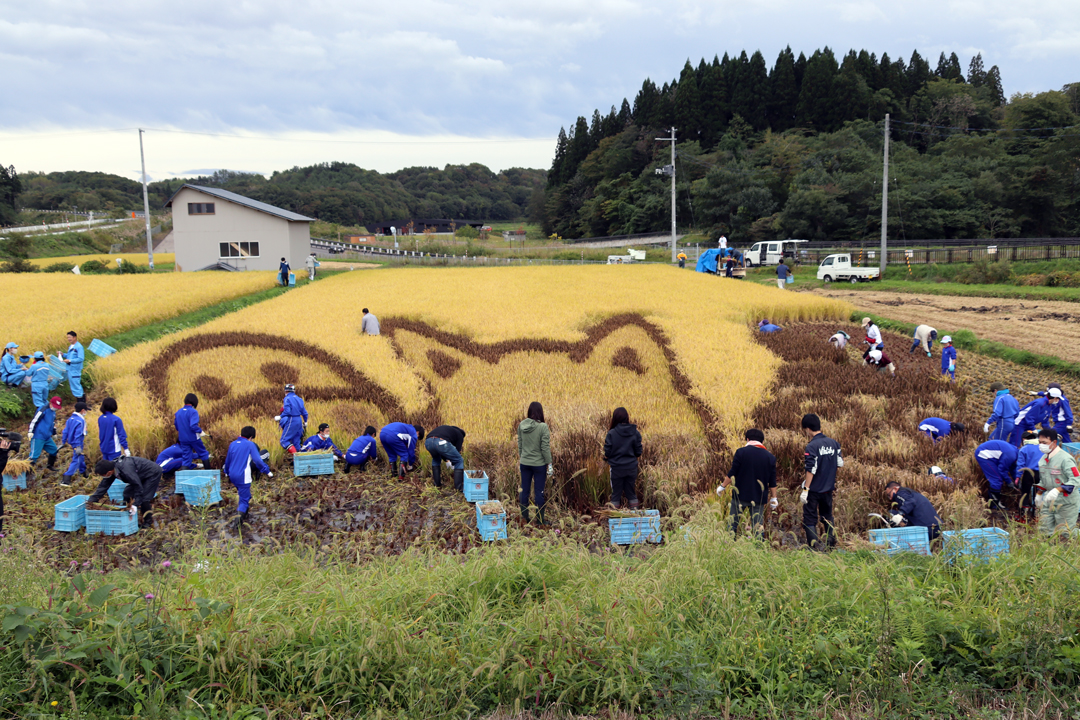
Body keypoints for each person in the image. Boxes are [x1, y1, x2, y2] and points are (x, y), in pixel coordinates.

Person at [716, 428, 777, 540]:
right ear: (762, 442)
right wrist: (774, 498)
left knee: (733, 524)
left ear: (747, 439)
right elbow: (772, 481)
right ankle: (759, 550)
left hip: (740, 496)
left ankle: (729, 547)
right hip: (759, 498)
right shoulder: (770, 458)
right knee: (758, 527)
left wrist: (722, 486)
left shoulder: (741, 452)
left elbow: (733, 472)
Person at [800, 413, 842, 551]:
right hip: (828, 489)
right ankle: (831, 547)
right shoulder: (834, 443)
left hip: (814, 490)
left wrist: (806, 489)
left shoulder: (812, 446)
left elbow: (811, 469)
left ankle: (813, 549)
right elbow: (840, 463)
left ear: (807, 429)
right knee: (827, 516)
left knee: (810, 518)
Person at [87, 456, 162, 530]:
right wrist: (93, 500)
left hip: (152, 473)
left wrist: (136, 504)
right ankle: (125, 513)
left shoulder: (125, 469)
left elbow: (137, 486)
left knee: (144, 498)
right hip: (139, 475)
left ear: (109, 472)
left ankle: (148, 523)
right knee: (127, 493)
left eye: (102, 475)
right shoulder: (113, 468)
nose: (103, 477)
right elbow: (104, 486)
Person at [1034, 428, 1080, 537]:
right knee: (1044, 530)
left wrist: (1057, 489)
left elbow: (1076, 479)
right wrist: (1039, 494)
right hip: (1049, 499)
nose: (1041, 445)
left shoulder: (1065, 459)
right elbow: (1044, 480)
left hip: (1066, 501)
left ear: (1054, 442)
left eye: (1044, 443)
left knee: (1066, 532)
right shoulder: (1043, 459)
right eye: (1040, 442)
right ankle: (1048, 551)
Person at [224, 426, 273, 526]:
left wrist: (226, 472)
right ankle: (236, 526)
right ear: (251, 436)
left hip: (232, 475)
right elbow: (258, 460)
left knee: (245, 495)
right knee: (244, 500)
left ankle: (245, 516)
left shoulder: (233, 444)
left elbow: (228, 460)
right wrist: (267, 471)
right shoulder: (250, 444)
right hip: (243, 476)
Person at [518, 402, 553, 525]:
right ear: (540, 412)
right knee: (539, 492)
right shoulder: (543, 427)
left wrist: (523, 457)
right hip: (539, 465)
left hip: (524, 463)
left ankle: (524, 518)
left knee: (524, 490)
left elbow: (520, 445)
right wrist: (549, 463)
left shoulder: (521, 424)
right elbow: (545, 448)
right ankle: (540, 520)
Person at [604, 407, 643, 509]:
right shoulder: (635, 432)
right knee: (631, 493)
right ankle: (635, 519)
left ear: (614, 418)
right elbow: (638, 452)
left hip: (616, 468)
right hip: (631, 468)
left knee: (616, 495)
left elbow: (607, 452)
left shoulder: (611, 433)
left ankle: (614, 519)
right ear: (627, 417)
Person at [975, 439, 1018, 510]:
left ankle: (994, 501)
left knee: (997, 478)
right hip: (984, 455)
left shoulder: (1015, 453)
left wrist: (1017, 481)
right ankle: (994, 505)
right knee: (996, 479)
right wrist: (1009, 482)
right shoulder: (1011, 456)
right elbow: (1002, 470)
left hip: (988, 453)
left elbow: (1013, 468)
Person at [175, 393, 210, 469]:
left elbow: (177, 427)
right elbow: (193, 426)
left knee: (186, 459)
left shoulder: (178, 412)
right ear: (195, 402)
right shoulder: (193, 412)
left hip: (183, 439)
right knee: (203, 453)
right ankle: (209, 475)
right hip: (193, 438)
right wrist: (200, 431)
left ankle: (184, 478)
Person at [426, 424, 466, 490]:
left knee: (436, 459)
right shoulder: (460, 434)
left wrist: (447, 460)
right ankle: (459, 487)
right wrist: (453, 463)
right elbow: (457, 451)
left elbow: (442, 452)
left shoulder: (448, 431)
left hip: (428, 442)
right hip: (441, 442)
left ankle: (437, 484)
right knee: (459, 460)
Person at [28, 395, 61, 473]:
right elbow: (34, 420)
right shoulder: (43, 410)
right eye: (54, 406)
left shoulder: (53, 412)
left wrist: (54, 432)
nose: (55, 408)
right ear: (50, 403)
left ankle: (50, 465)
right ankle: (27, 472)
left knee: (54, 450)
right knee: (34, 455)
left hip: (47, 436)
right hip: (38, 435)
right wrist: (31, 431)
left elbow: (52, 423)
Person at [59, 400, 89, 486]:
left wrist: (63, 441)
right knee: (77, 459)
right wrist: (78, 446)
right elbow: (78, 435)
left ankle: (84, 472)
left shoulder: (70, 419)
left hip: (72, 442)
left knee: (80, 456)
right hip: (77, 443)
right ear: (83, 410)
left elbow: (65, 431)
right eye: (86, 410)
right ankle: (66, 478)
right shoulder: (80, 420)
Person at [1016, 430, 1042, 520]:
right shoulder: (1043, 447)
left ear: (1023, 439)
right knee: (1038, 494)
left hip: (1028, 473)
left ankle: (1023, 516)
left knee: (1025, 493)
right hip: (1041, 474)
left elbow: (1020, 464)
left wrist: (1018, 477)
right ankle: (1036, 516)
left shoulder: (1024, 449)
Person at [275, 384, 308, 455]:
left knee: (284, 441)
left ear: (285, 391)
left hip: (292, 419)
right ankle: (299, 462)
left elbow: (287, 411)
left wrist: (280, 417)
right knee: (296, 442)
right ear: (294, 391)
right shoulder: (299, 399)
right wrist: (305, 422)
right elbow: (305, 413)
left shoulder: (287, 398)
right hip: (299, 420)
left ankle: (295, 455)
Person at [98, 397, 129, 462]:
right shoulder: (116, 419)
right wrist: (126, 448)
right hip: (114, 449)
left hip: (104, 448)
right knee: (115, 469)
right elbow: (121, 435)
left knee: (106, 469)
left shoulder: (100, 418)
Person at [60, 331, 86, 403]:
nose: (69, 339)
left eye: (70, 337)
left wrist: (70, 361)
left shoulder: (79, 347)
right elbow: (70, 356)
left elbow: (81, 358)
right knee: (75, 386)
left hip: (75, 369)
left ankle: (81, 404)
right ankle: (82, 403)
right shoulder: (71, 346)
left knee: (76, 386)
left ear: (74, 337)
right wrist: (63, 355)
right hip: (70, 369)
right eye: (68, 337)